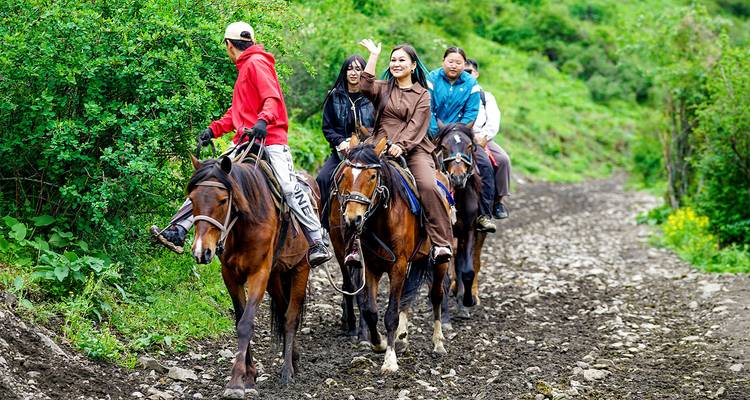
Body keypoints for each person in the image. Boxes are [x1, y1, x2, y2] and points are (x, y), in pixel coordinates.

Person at [150, 21, 332, 267]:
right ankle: (177, 230)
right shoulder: (247, 66)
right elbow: (237, 112)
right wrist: (213, 130)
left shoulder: (256, 64)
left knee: (289, 187)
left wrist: (263, 121)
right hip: (246, 140)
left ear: (228, 45)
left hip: (271, 139)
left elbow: (272, 98)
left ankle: (316, 239)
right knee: (208, 177)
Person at [358, 39, 453, 263]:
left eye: (402, 60)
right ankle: (351, 242)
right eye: (393, 60)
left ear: (413, 66)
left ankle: (440, 242)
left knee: (429, 186)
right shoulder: (383, 88)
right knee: (352, 175)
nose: (396, 64)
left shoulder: (422, 94)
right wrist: (373, 55)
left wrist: (401, 145)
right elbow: (364, 86)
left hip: (414, 148)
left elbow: (417, 125)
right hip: (379, 144)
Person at [427, 47, 497, 233]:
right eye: (450, 61)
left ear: (463, 65)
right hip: (434, 132)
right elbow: (428, 106)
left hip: (462, 132)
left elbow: (471, 112)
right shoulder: (432, 79)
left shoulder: (471, 83)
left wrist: (459, 130)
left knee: (484, 164)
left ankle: (484, 213)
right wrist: (436, 131)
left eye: (459, 63)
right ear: (443, 61)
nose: (454, 65)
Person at [316, 55, 375, 229]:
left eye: (358, 69)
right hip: (341, 152)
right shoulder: (334, 96)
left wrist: (367, 143)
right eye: (350, 68)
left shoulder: (371, 98)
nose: (354, 73)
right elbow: (327, 127)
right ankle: (323, 226)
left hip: (366, 153)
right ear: (344, 71)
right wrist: (340, 142)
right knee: (323, 178)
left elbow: (378, 126)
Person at [464, 59, 511, 219]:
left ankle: (497, 201)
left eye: (469, 71)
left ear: (476, 74)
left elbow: (493, 120)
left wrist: (484, 136)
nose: (466, 74)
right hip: (460, 137)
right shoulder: (457, 92)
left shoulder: (486, 96)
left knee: (503, 160)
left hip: (482, 137)